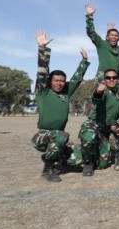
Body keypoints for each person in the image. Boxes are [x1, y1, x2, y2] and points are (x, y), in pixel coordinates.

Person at [31, 30, 90, 182]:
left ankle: (57, 158)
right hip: (43, 136)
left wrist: (84, 62)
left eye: (62, 81)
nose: (59, 83)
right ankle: (48, 168)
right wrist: (42, 49)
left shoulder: (65, 93)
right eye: (56, 80)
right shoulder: (43, 92)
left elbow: (77, 79)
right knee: (61, 136)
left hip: (59, 138)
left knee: (79, 158)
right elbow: (42, 73)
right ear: (50, 81)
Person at [77, 69, 119, 176]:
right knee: (89, 136)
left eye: (114, 78)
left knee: (102, 165)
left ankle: (93, 151)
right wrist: (98, 92)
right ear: (104, 80)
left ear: (117, 79)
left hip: (105, 130)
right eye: (108, 78)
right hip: (93, 125)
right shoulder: (104, 91)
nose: (111, 80)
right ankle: (88, 163)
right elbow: (96, 98)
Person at [85, 3, 119, 82]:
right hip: (101, 79)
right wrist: (90, 17)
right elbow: (91, 33)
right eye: (112, 35)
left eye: (116, 36)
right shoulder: (102, 44)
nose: (114, 37)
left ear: (118, 38)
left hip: (115, 81)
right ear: (107, 37)